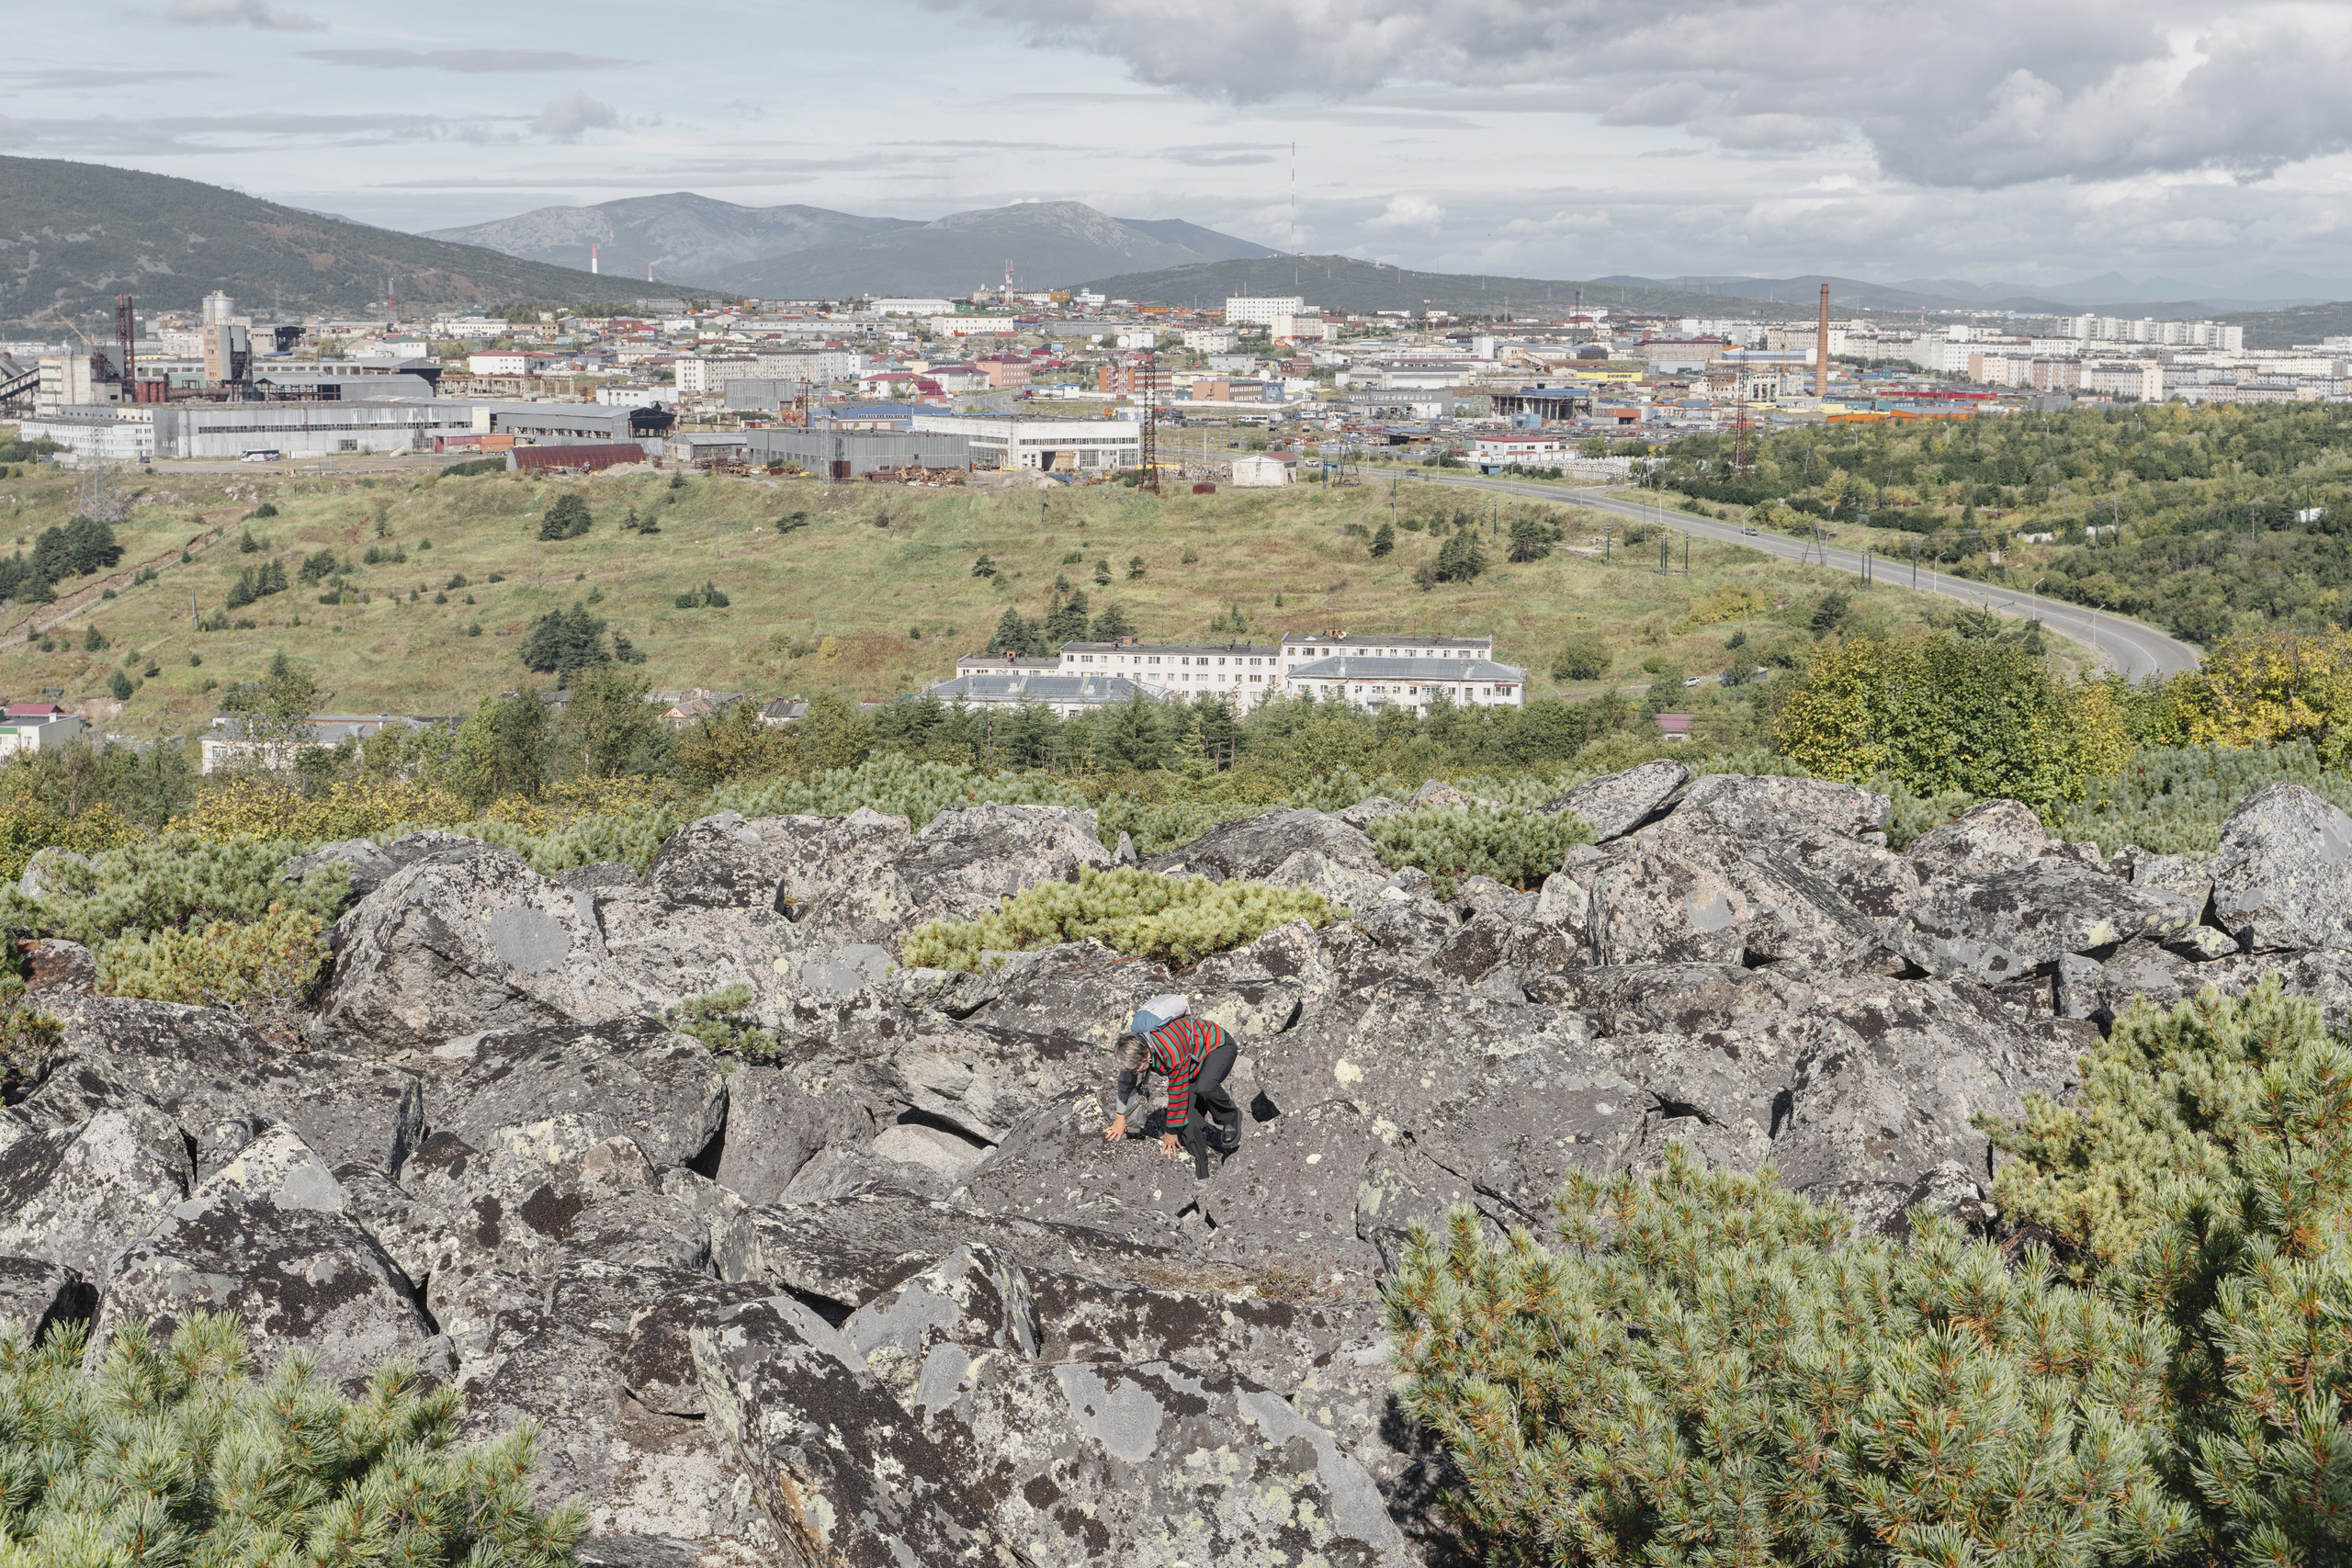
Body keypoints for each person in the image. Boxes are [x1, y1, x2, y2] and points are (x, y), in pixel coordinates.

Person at [1102, 992, 1240, 1175]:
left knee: (1205, 1086)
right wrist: (1121, 1117)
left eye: (1137, 1069)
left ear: (1147, 1055)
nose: (1135, 1072)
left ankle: (1231, 1116)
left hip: (1215, 1047)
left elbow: (1178, 1091)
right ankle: (1203, 1175)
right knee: (1189, 1126)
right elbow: (1125, 1082)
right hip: (1190, 1065)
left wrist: (1171, 1131)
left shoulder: (1170, 1050)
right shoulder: (1133, 1049)